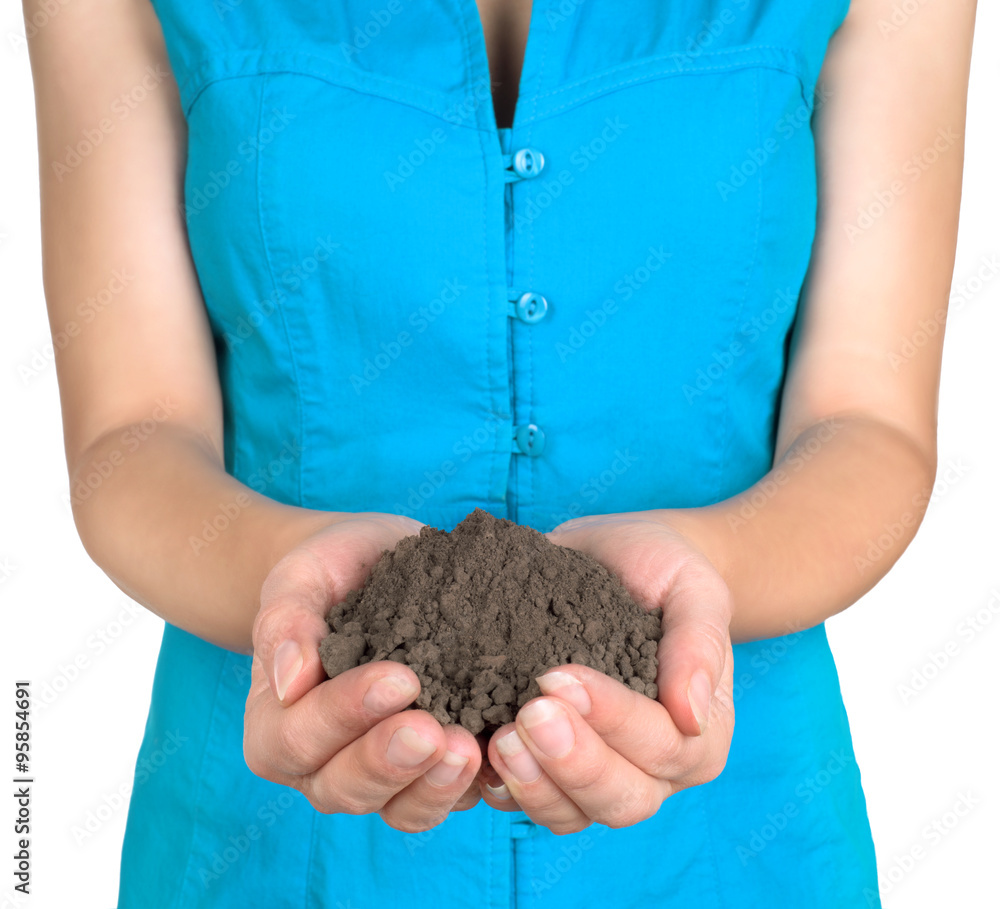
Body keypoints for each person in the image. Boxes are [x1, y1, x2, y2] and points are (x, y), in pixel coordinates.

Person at [24, 0, 976, 905]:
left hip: (733, 834)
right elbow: (130, 433)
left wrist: (710, 575)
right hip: (267, 836)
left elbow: (869, 420)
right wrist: (287, 586)